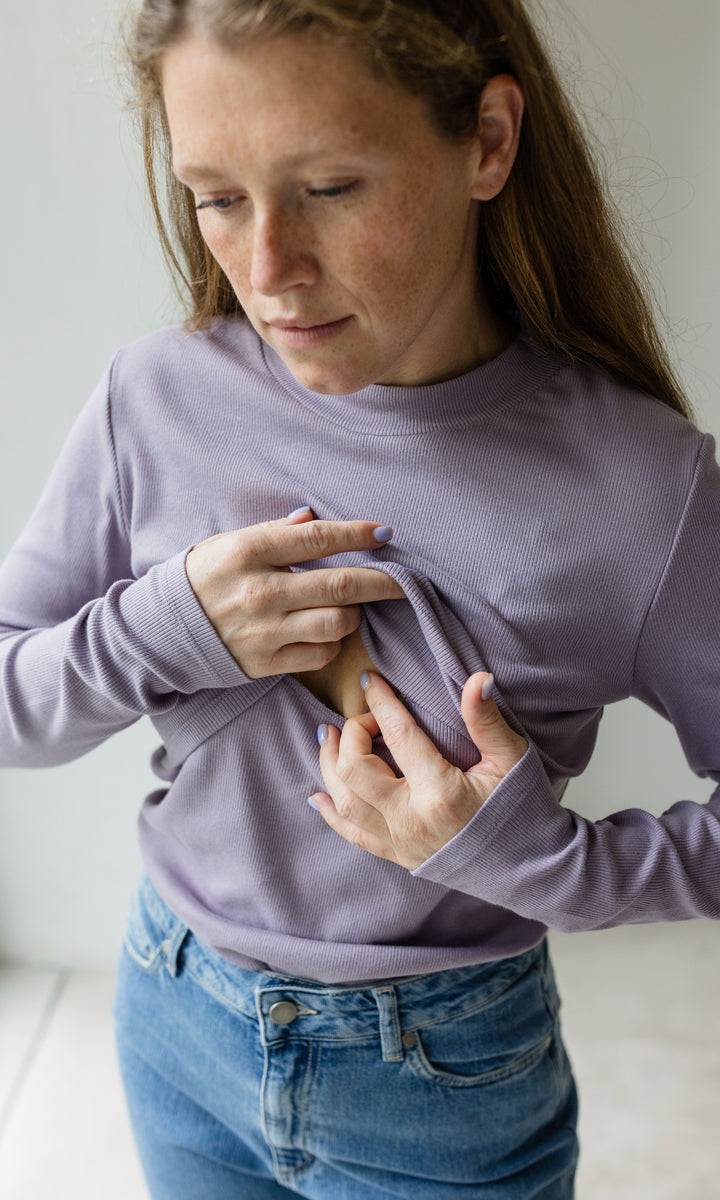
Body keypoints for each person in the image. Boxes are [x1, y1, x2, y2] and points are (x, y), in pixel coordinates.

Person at [1, 0, 719, 1196]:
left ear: (488, 140)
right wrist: (159, 628)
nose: (268, 269)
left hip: (442, 1089)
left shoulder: (650, 492)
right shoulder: (152, 395)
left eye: (331, 186)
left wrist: (552, 864)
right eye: (218, 196)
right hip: (172, 1013)